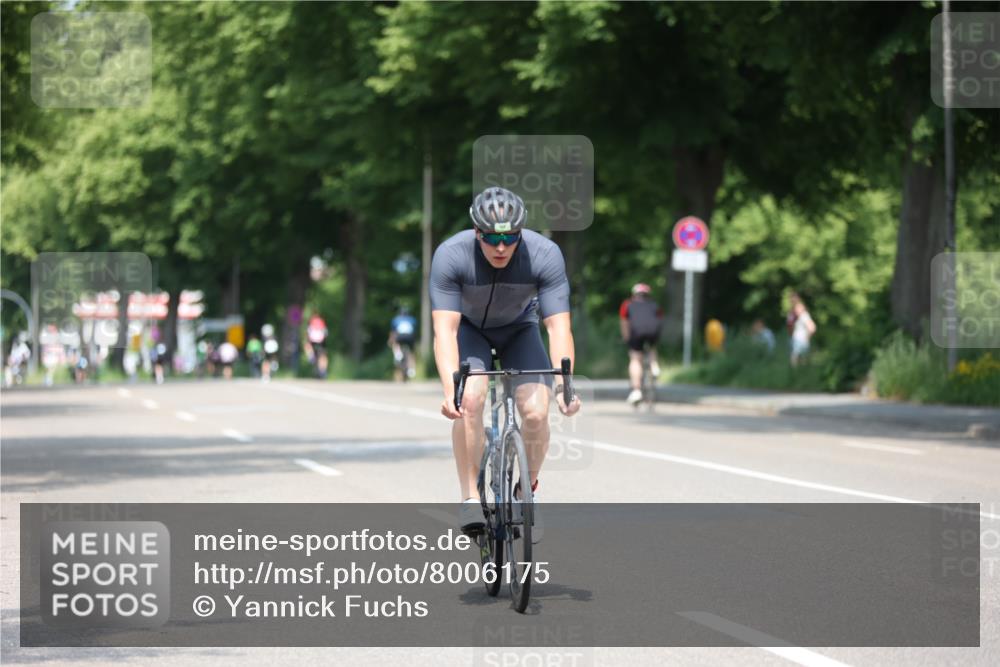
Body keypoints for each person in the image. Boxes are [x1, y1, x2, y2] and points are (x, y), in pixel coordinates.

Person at [431, 186, 581, 541]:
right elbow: (445, 330)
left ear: (521, 233)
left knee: (536, 412)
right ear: (477, 232)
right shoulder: (451, 255)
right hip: (470, 331)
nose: (501, 246)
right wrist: (449, 389)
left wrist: (565, 386)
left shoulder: (544, 254)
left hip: (519, 330)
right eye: (493, 237)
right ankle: (470, 496)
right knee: (469, 401)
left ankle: (526, 491)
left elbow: (558, 326)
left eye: (510, 237)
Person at [619, 283, 663, 405]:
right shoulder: (654, 305)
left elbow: (624, 323)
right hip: (653, 332)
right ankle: (654, 366)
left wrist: (626, 338)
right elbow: (659, 321)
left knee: (635, 358)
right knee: (652, 347)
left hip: (637, 332)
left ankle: (636, 390)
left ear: (634, 295)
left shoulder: (627, 304)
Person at [388, 305, 418, 382]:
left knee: (395, 343)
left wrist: (390, 341)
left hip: (400, 337)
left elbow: (393, 333)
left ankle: (398, 353)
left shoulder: (396, 319)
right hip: (410, 337)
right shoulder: (412, 319)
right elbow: (415, 331)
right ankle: (411, 369)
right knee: (412, 352)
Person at [790, 300, 816, 366]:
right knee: (801, 358)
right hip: (800, 340)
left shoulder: (804, 316)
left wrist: (807, 338)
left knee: (796, 358)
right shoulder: (799, 316)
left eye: (797, 308)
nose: (796, 310)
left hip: (800, 340)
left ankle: (796, 373)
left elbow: (812, 328)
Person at [305, 313, 329, 379]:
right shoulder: (322, 322)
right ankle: (323, 371)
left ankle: (311, 357)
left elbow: (308, 333)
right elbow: (326, 333)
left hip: (313, 342)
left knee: (307, 345)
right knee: (323, 356)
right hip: (321, 342)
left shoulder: (311, 322)